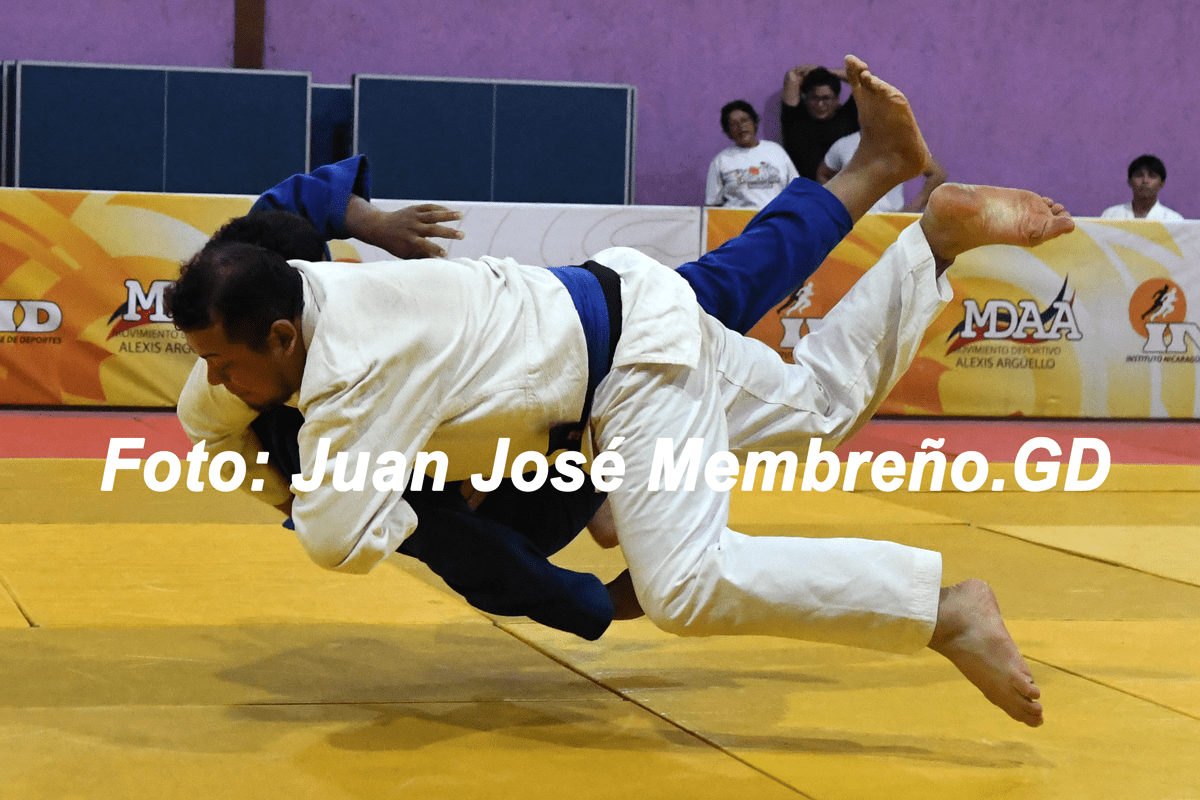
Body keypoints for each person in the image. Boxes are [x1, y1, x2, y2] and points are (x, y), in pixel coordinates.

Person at [169, 57, 1075, 727]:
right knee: (817, 413)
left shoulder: (354, 373)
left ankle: (944, 611)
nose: (216, 379)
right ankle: (931, 243)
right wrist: (267, 456)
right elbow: (203, 416)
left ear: (282, 337)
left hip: (629, 373)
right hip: (620, 319)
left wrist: (307, 486)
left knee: (684, 586)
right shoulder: (289, 292)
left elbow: (335, 537)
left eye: (225, 364)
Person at [818, 130, 948, 212]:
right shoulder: (844, 145)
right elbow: (823, 174)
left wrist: (912, 209)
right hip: (851, 226)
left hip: (888, 223)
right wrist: (833, 203)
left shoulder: (901, 145)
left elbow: (938, 174)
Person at [705, 100, 799, 208]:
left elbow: (797, 189)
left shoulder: (776, 151)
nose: (741, 126)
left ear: (755, 122)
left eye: (744, 120)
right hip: (738, 218)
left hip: (775, 217)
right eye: (734, 124)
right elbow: (712, 205)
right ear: (728, 132)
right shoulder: (721, 160)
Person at [781, 64, 861, 182]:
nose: (820, 104)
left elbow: (865, 79)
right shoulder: (795, 118)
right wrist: (818, 72)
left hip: (843, 190)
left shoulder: (848, 116)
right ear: (805, 98)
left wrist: (827, 72)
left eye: (826, 98)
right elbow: (792, 77)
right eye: (814, 98)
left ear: (837, 99)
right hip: (802, 190)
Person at [1100, 154, 1184, 221]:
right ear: (1130, 181)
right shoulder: (1110, 215)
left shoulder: (1174, 220)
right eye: (1139, 175)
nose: (1145, 180)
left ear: (1162, 183)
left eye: (1152, 176)